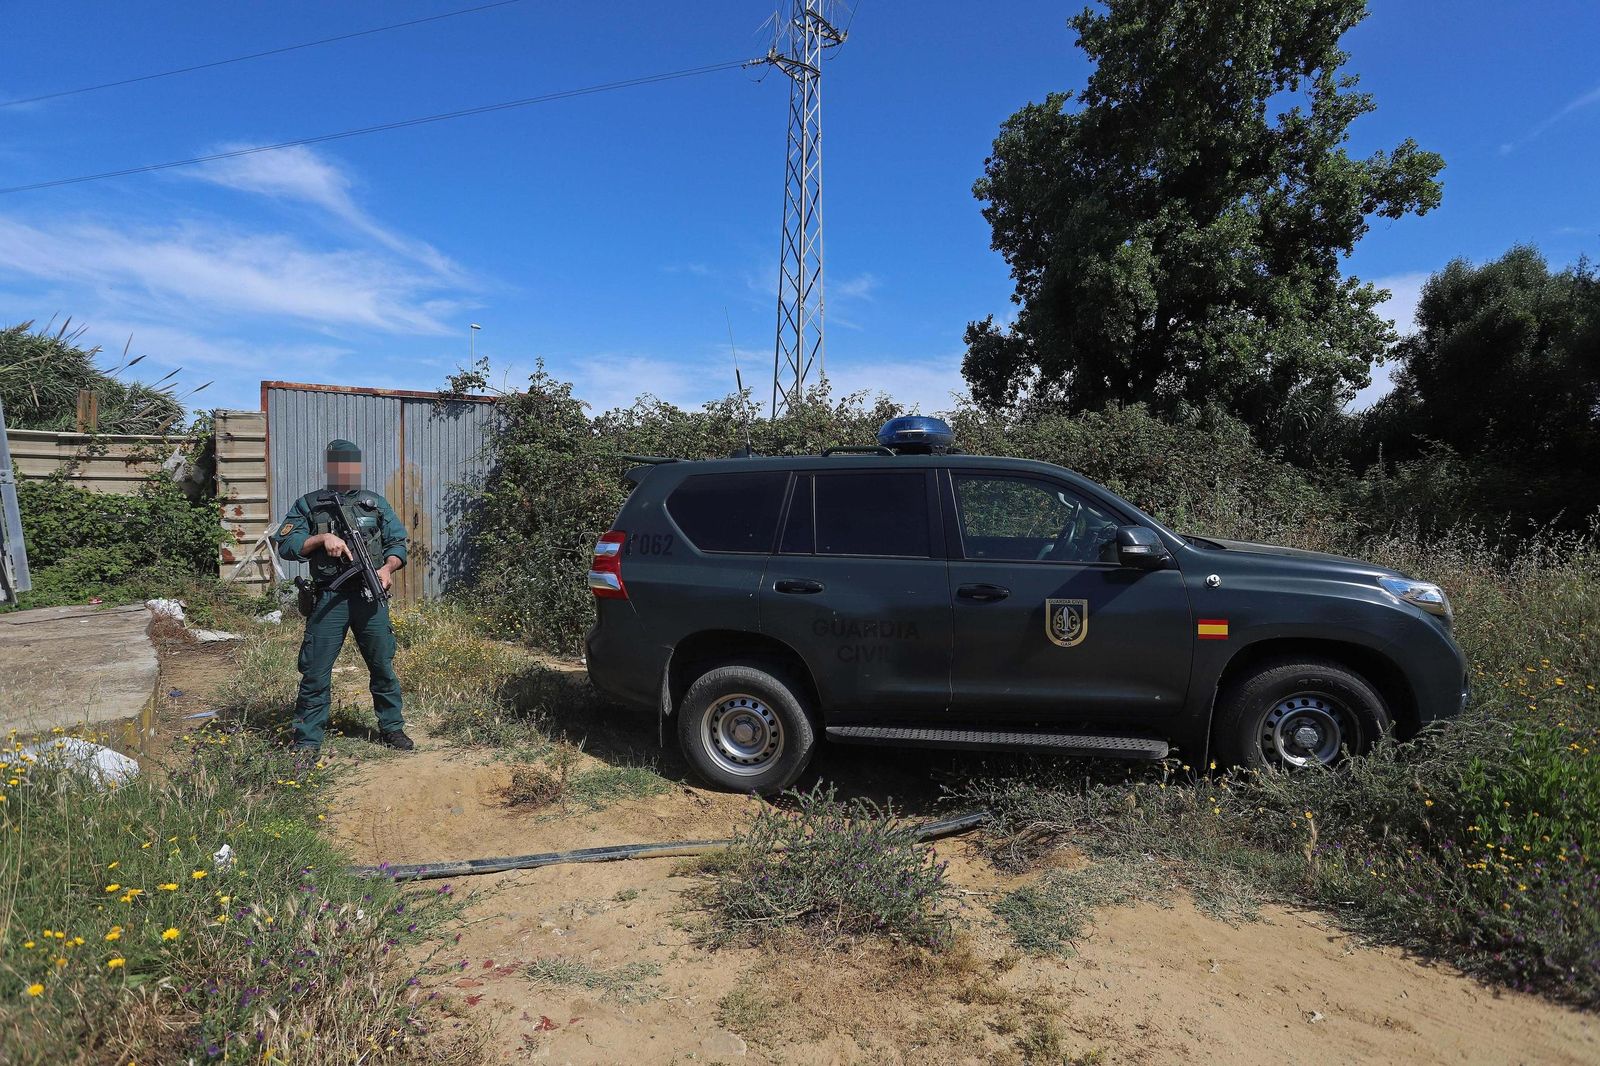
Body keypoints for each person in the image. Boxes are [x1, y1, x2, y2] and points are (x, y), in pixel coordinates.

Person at [270, 439, 414, 752]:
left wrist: (388, 570)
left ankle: (392, 729)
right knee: (315, 671)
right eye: (338, 464)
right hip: (329, 599)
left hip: (368, 597)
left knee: (382, 666)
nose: (345, 470)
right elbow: (286, 544)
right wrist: (322, 538)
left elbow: (398, 545)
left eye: (350, 464)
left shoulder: (373, 503)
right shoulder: (309, 504)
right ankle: (307, 741)